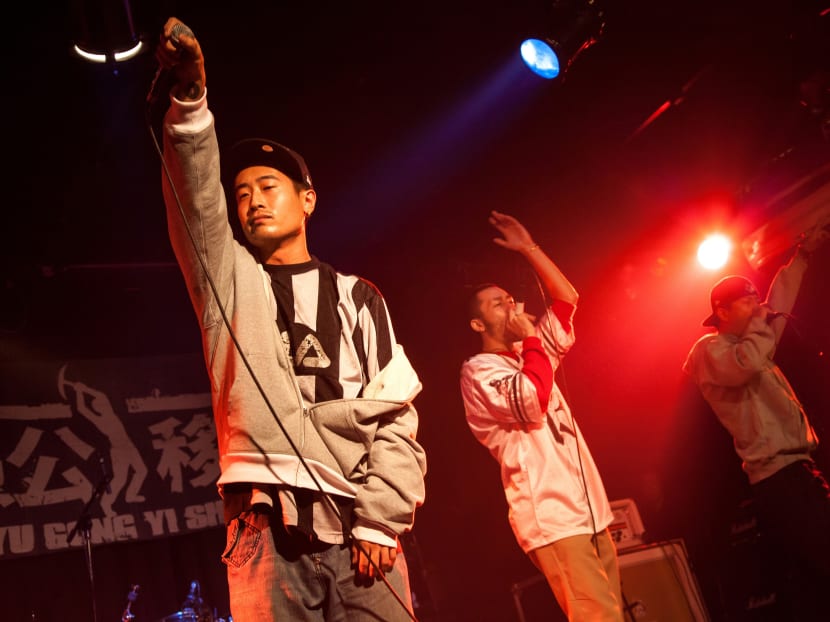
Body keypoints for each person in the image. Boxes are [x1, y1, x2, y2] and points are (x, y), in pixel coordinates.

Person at [153, 17, 427, 622]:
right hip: (264, 525)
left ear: (307, 199)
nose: (251, 199)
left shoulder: (358, 296)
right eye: (242, 191)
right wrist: (192, 98)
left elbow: (396, 414)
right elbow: (196, 196)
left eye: (268, 186)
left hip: (360, 521)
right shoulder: (227, 279)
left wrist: (382, 519)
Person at [459, 211, 623, 621]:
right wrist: (531, 337)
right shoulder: (479, 370)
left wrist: (529, 249)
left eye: (510, 300)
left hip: (589, 510)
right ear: (478, 323)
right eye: (498, 305)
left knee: (612, 613)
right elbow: (531, 399)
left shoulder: (529, 353)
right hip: (551, 517)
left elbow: (567, 300)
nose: (511, 307)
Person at [682, 223, 830, 619]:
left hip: (797, 470)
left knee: (813, 577)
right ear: (722, 312)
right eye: (746, 303)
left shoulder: (755, 341)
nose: (758, 306)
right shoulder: (709, 351)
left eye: (755, 300)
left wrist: (801, 256)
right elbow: (742, 366)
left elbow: (777, 299)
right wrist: (762, 327)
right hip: (777, 480)